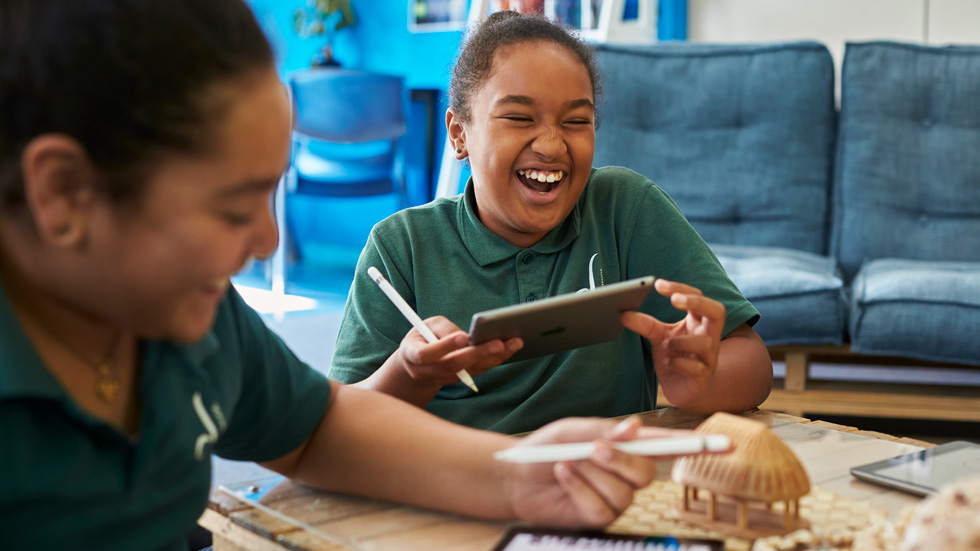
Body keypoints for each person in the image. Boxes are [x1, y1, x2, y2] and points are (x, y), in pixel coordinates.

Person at [0, 1, 697, 549]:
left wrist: (514, 476)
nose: (269, 240)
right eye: (229, 206)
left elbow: (315, 427)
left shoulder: (194, 318)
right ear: (64, 195)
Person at [330, 11, 773, 434]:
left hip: (604, 485)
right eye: (519, 118)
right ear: (458, 133)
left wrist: (699, 381)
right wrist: (409, 374)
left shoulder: (625, 208)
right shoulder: (401, 246)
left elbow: (752, 366)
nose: (550, 144)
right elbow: (339, 425)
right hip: (459, 489)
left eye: (577, 121)